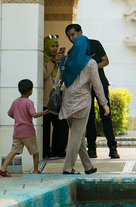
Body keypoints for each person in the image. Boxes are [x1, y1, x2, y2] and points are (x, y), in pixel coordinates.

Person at [65, 23, 120, 159]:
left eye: (73, 34)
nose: (71, 38)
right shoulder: (73, 51)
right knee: (88, 118)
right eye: (69, 37)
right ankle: (92, 149)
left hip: (100, 84)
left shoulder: (94, 44)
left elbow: (105, 61)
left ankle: (113, 148)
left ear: (80, 32)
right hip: (85, 88)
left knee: (106, 116)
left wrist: (91, 69)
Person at [57, 34, 110, 174]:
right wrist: (104, 103)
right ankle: (67, 168)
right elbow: (97, 85)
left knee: (78, 135)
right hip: (82, 104)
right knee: (76, 136)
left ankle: (88, 166)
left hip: (67, 103)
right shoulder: (91, 63)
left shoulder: (65, 60)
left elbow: (58, 81)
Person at [0, 79, 48, 177]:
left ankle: (3, 167)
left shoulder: (15, 102)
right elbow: (34, 115)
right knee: (35, 151)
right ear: (31, 91)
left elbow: (10, 113)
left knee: (14, 150)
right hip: (28, 132)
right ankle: (36, 170)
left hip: (17, 131)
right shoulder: (29, 103)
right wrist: (47, 111)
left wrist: (18, 118)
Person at [43, 35, 68, 158]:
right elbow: (43, 75)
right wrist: (52, 62)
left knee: (61, 125)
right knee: (45, 128)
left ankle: (59, 150)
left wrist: (61, 62)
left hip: (59, 98)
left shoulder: (60, 59)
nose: (54, 48)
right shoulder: (43, 59)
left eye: (56, 46)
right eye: (52, 45)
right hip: (46, 99)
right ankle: (46, 152)